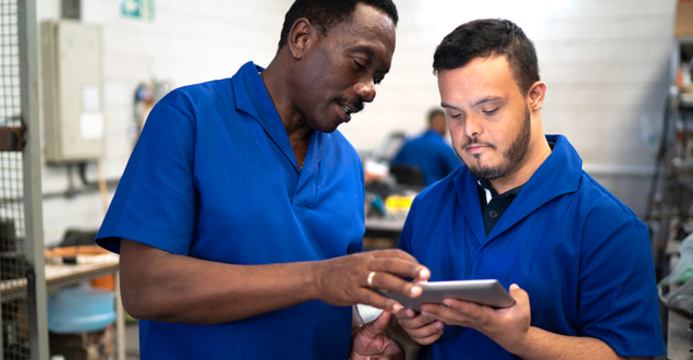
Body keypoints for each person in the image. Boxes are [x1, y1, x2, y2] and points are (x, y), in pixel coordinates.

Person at [94, 1, 431, 359]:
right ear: (301, 38)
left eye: (377, 78)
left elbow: (335, 293)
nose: (369, 90)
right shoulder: (190, 118)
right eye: (360, 64)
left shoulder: (346, 161)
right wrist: (317, 279)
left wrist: (353, 338)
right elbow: (144, 288)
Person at [392, 19, 665, 359]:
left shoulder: (608, 226)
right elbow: (398, 314)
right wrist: (405, 326)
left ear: (534, 97)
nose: (469, 131)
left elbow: (629, 354)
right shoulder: (427, 207)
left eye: (489, 109)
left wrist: (524, 341)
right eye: (455, 115)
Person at [391, 109, 462, 186]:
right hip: (433, 193)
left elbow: (393, 167)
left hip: (406, 194)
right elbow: (459, 174)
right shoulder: (443, 147)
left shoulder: (408, 143)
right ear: (444, 123)